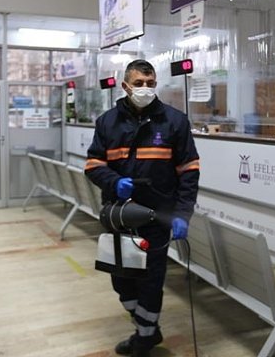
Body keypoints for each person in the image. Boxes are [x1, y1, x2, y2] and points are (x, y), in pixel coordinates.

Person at [85, 59, 200, 357]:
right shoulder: (107, 122)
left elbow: (189, 170)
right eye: (138, 84)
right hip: (119, 216)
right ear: (125, 86)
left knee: (150, 281)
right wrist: (114, 182)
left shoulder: (174, 121)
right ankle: (146, 327)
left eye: (150, 83)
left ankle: (144, 339)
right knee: (122, 281)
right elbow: (93, 165)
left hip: (156, 218)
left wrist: (182, 214)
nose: (145, 89)